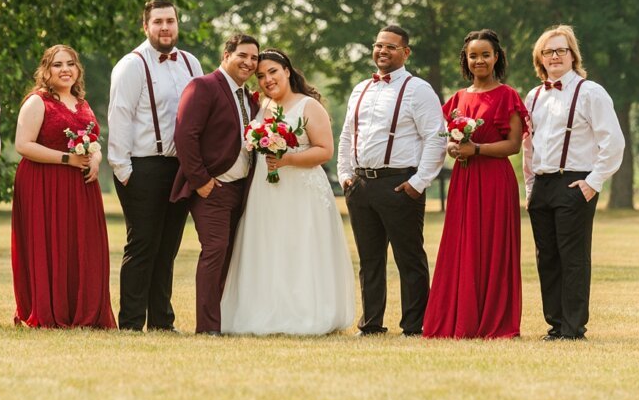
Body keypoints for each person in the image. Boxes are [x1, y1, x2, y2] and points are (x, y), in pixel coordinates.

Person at [221, 48, 355, 335]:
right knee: (269, 247)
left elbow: (325, 151)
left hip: (302, 191)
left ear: (287, 71)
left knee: (299, 247)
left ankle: (305, 312)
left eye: (273, 72)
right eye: (261, 76)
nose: (267, 79)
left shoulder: (308, 106)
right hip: (265, 191)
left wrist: (288, 159)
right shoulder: (261, 106)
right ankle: (266, 310)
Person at [336, 25, 444, 337]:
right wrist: (345, 175)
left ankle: (414, 325)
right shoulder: (361, 89)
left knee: (409, 257)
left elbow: (436, 138)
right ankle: (371, 324)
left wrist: (419, 182)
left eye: (391, 47)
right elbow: (347, 135)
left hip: (399, 183)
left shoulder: (418, 89)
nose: (383, 51)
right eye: (379, 46)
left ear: (405, 52)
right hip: (361, 186)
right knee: (369, 261)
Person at [423, 29, 527, 339]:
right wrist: (455, 148)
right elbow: (447, 140)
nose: (479, 60)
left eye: (485, 54)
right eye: (473, 55)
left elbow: (513, 146)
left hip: (495, 180)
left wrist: (477, 149)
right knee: (463, 245)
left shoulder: (508, 95)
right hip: (464, 180)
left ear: (497, 57)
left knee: (493, 247)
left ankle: (495, 320)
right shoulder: (457, 98)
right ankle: (460, 318)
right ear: (465, 60)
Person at [523, 25, 624, 341]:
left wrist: (593, 182)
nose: (554, 56)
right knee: (547, 258)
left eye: (560, 50)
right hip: (541, 185)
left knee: (573, 258)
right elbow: (529, 146)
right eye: (548, 51)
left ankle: (573, 326)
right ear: (541, 57)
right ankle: (555, 324)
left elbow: (613, 141)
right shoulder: (534, 96)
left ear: (572, 56)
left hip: (574, 183)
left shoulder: (591, 92)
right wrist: (529, 188)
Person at [108, 0, 203, 332]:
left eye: (171, 21)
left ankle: (162, 322)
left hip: (180, 169)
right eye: (158, 21)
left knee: (168, 249)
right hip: (142, 166)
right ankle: (131, 323)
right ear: (145, 26)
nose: (166, 27)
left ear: (178, 24)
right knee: (143, 245)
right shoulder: (131, 65)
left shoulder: (191, 63)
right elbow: (119, 117)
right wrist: (124, 171)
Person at [11, 45, 116, 329]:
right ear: (46, 70)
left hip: (81, 186)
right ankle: (50, 309)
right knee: (51, 245)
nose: (65, 69)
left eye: (70, 63)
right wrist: (67, 159)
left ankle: (83, 310)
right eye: (57, 65)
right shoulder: (37, 102)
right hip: (44, 185)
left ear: (78, 69)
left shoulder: (83, 103)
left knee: (80, 246)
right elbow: (23, 145)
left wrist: (95, 157)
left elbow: (94, 140)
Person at [171, 34, 260, 335]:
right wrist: (201, 181)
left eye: (254, 58)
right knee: (215, 251)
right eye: (243, 55)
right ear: (226, 55)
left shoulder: (247, 97)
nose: (249, 62)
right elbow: (185, 135)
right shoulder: (203, 86)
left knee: (231, 256)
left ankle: (226, 320)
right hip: (213, 189)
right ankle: (208, 328)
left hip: (241, 189)